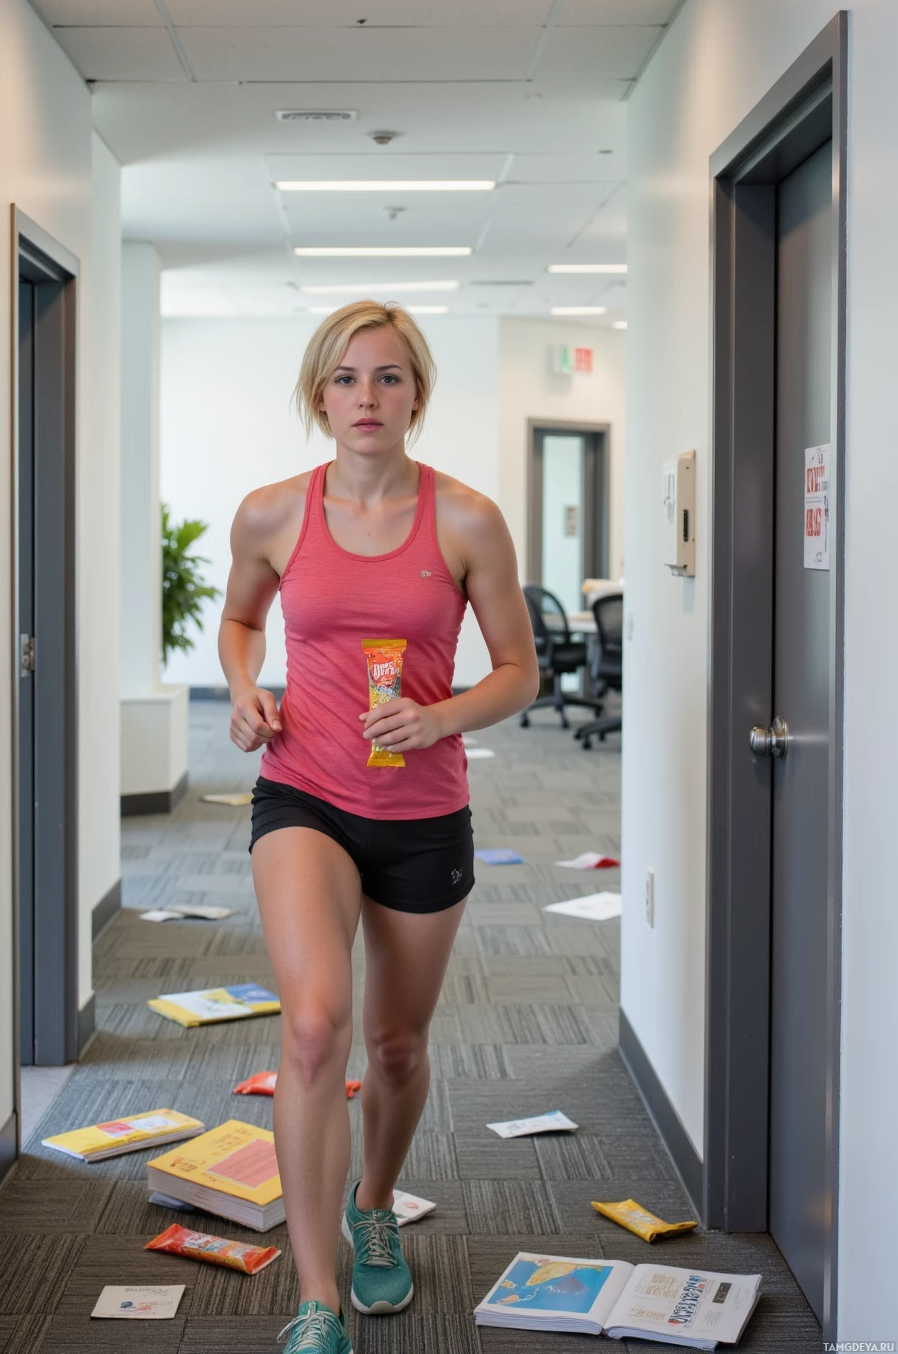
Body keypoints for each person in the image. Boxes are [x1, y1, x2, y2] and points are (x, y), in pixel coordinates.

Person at [218, 301, 538, 1354]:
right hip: (301, 793)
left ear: (416, 396)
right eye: (348, 378)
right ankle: (314, 1298)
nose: (367, 397)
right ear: (319, 395)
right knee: (314, 1026)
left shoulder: (467, 520)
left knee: (395, 1047)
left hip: (421, 809)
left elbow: (520, 672)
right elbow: (240, 619)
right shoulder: (270, 513)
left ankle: (373, 1205)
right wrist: (241, 686)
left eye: (389, 378)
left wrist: (438, 714)